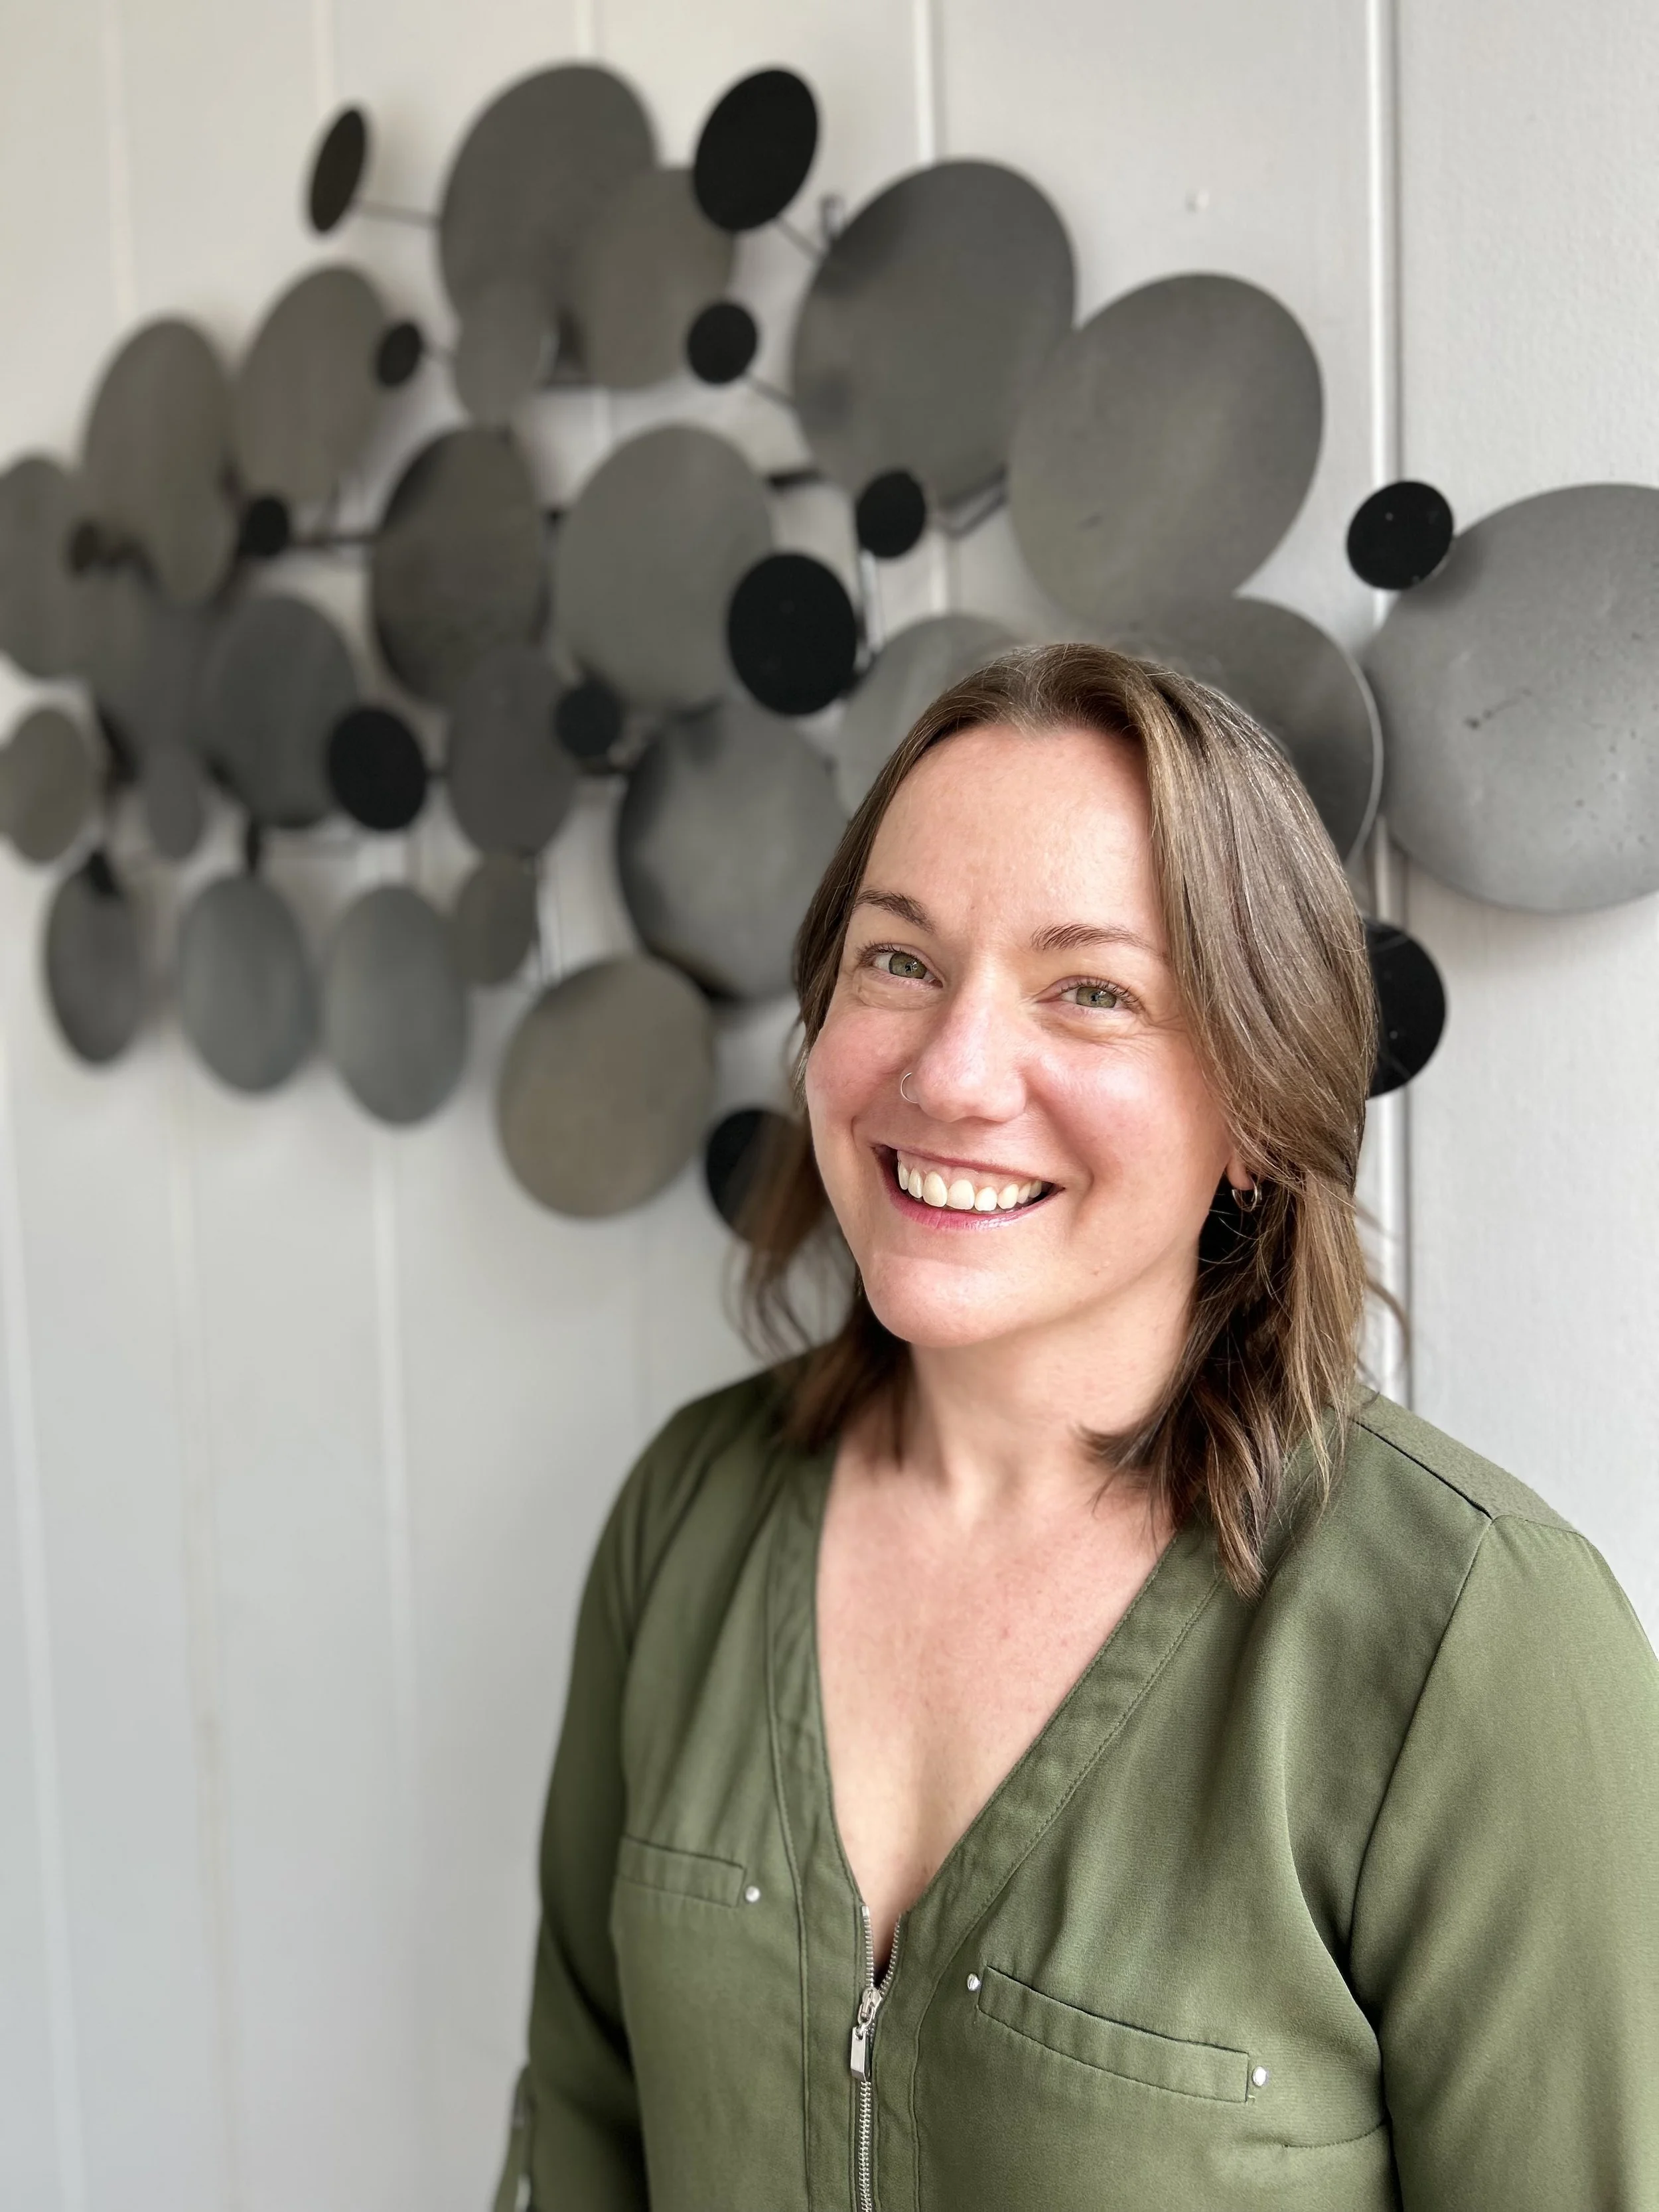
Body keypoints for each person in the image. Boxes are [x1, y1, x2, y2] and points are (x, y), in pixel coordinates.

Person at [493, 644, 1659, 2211]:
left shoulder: (1473, 1638)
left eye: (1090, 992)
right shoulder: (688, 1511)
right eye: (897, 961)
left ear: (1254, 1106)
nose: (955, 1073)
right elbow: (576, 2135)